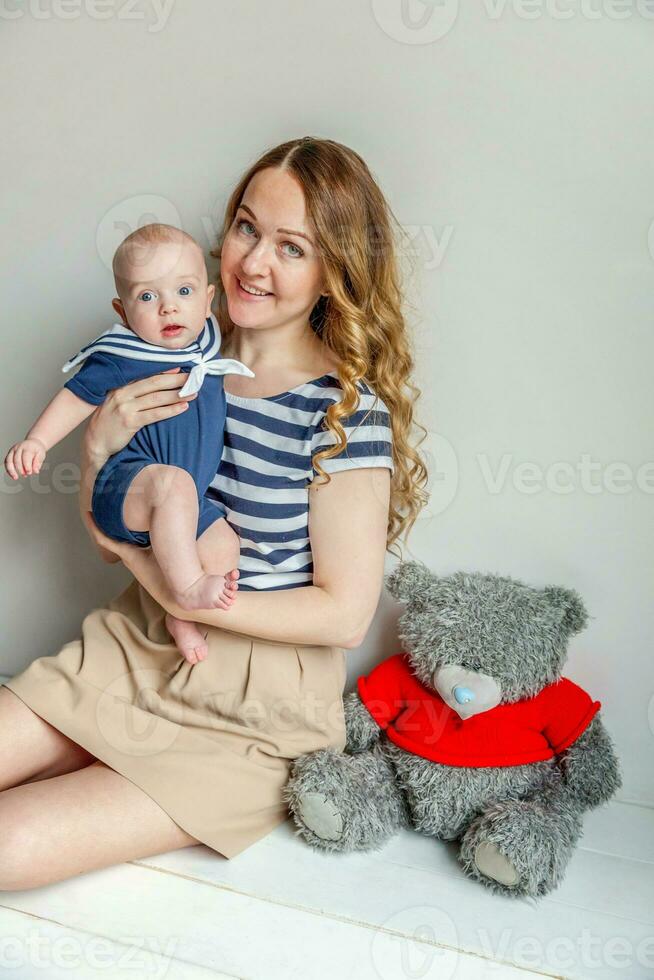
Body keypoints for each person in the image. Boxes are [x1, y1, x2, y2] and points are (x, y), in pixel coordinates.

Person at [0, 137, 428, 891]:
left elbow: (344, 616)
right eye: (245, 227)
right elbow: (113, 539)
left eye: (292, 248)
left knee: (9, 845)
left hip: (248, 707)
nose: (254, 262)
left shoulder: (342, 412)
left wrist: (173, 590)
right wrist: (97, 447)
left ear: (335, 271)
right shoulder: (172, 345)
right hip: (134, 649)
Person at [4, 224, 253, 664]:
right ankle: (188, 588)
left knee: (224, 545)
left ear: (208, 299)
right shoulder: (125, 355)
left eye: (183, 291)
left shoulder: (210, 339)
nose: (169, 307)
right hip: (125, 490)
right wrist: (37, 441)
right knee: (173, 486)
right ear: (122, 311)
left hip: (182, 502)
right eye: (147, 297)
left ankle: (180, 617)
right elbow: (75, 396)